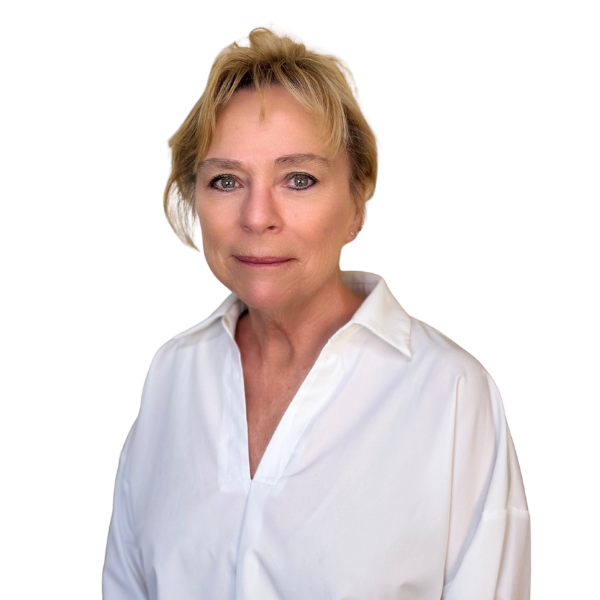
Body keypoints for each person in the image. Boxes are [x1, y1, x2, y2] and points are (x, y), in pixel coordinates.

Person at [102, 22, 531, 599]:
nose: (257, 217)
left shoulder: (450, 393)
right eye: (226, 180)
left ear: (358, 202)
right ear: (194, 199)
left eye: (298, 179)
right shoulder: (171, 374)